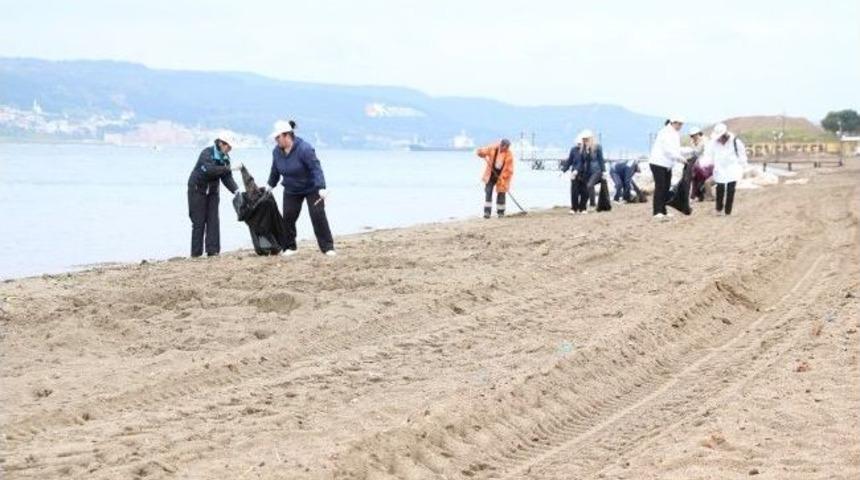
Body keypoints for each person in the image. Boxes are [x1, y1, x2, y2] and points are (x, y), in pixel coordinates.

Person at [266, 120, 336, 255]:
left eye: (278, 137)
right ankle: (290, 247)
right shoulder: (276, 152)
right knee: (288, 217)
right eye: (275, 138)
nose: (276, 140)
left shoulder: (305, 149)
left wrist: (321, 187)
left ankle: (328, 248)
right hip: (291, 189)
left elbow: (316, 168)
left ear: (287, 136)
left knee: (317, 215)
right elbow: (275, 170)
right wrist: (270, 185)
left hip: (311, 188)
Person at [187, 132, 242, 257]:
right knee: (199, 222)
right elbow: (210, 170)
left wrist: (236, 191)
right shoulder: (206, 153)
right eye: (228, 147)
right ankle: (196, 254)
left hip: (212, 192)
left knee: (213, 220)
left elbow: (227, 178)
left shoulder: (225, 158)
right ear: (221, 143)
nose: (229, 150)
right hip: (197, 190)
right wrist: (230, 168)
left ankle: (213, 251)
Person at [702, 123, 748, 216]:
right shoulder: (713, 143)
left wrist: (743, 166)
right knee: (720, 189)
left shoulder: (735, 141)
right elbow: (709, 155)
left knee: (731, 189)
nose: (720, 139)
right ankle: (718, 209)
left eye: (721, 137)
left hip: (733, 168)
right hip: (719, 169)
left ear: (725, 135)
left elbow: (742, 154)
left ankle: (728, 210)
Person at [648, 115, 687, 219]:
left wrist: (688, 152)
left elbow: (676, 149)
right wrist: (680, 159)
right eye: (679, 124)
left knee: (666, 186)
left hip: (667, 164)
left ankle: (663, 210)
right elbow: (667, 150)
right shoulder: (665, 132)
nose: (680, 126)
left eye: (681, 124)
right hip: (658, 163)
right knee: (660, 186)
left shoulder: (674, 133)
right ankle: (657, 211)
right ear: (673, 122)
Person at [564, 130, 606, 213]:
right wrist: (567, 170)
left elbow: (601, 160)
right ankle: (580, 207)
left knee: (588, 186)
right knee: (582, 189)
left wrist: (604, 171)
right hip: (585, 171)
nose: (585, 141)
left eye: (586, 139)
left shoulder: (597, 147)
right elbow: (581, 161)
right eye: (584, 139)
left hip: (595, 171)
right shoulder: (581, 149)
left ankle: (590, 205)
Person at [476, 139, 514, 218]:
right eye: (505, 147)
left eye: (508, 147)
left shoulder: (509, 155)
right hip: (491, 174)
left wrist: (502, 177)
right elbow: (483, 152)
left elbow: (510, 170)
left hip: (502, 176)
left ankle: (500, 213)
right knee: (488, 191)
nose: (506, 149)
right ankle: (487, 212)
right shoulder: (493, 148)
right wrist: (480, 152)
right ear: (501, 145)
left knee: (501, 193)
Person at [686, 127, 713, 201]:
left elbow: (707, 153)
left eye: (694, 135)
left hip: (705, 161)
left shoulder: (705, 140)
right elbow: (693, 152)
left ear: (698, 134)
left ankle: (703, 195)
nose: (693, 137)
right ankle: (698, 195)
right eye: (692, 136)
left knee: (700, 177)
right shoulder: (692, 142)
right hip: (697, 161)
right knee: (693, 176)